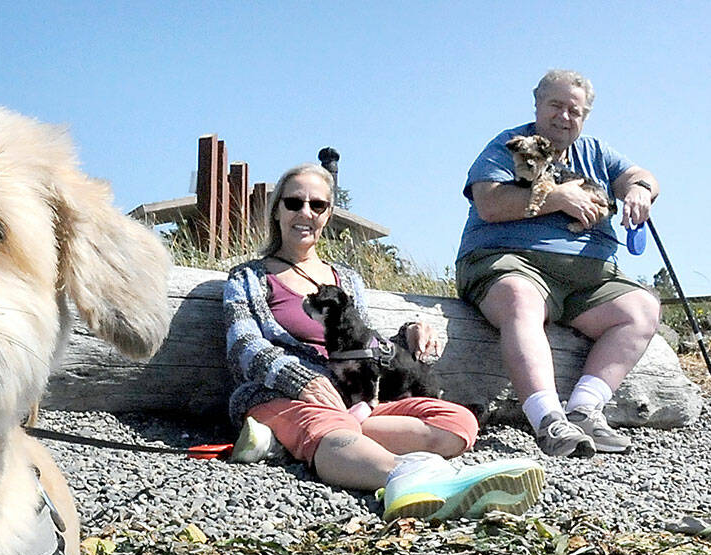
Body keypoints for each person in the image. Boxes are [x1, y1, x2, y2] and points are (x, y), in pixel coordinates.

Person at [223, 163, 544, 521]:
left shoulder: (345, 278)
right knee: (327, 426)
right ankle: (405, 476)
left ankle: (290, 443)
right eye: (294, 203)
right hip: (285, 397)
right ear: (277, 210)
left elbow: (364, 344)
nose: (305, 213)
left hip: (356, 404)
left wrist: (408, 333)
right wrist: (299, 380)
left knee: (458, 422)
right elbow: (243, 345)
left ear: (328, 214)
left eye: (318, 205)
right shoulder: (249, 277)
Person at [456, 68, 660, 457]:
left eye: (575, 111)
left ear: (585, 117)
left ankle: (584, 409)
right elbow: (488, 201)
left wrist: (639, 190)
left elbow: (640, 174)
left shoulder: (598, 154)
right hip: (510, 261)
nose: (564, 117)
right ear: (537, 104)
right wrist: (558, 199)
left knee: (642, 309)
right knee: (520, 297)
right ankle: (548, 419)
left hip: (590, 277)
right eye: (555, 105)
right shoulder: (510, 145)